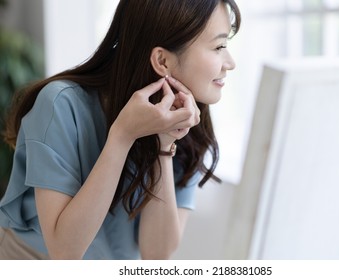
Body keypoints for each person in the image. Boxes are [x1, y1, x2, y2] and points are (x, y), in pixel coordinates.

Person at [0, 0, 241, 260]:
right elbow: (65, 252)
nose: (230, 62)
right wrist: (122, 135)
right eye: (219, 46)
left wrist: (164, 145)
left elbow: (156, 255)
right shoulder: (60, 104)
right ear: (162, 60)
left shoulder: (188, 119)